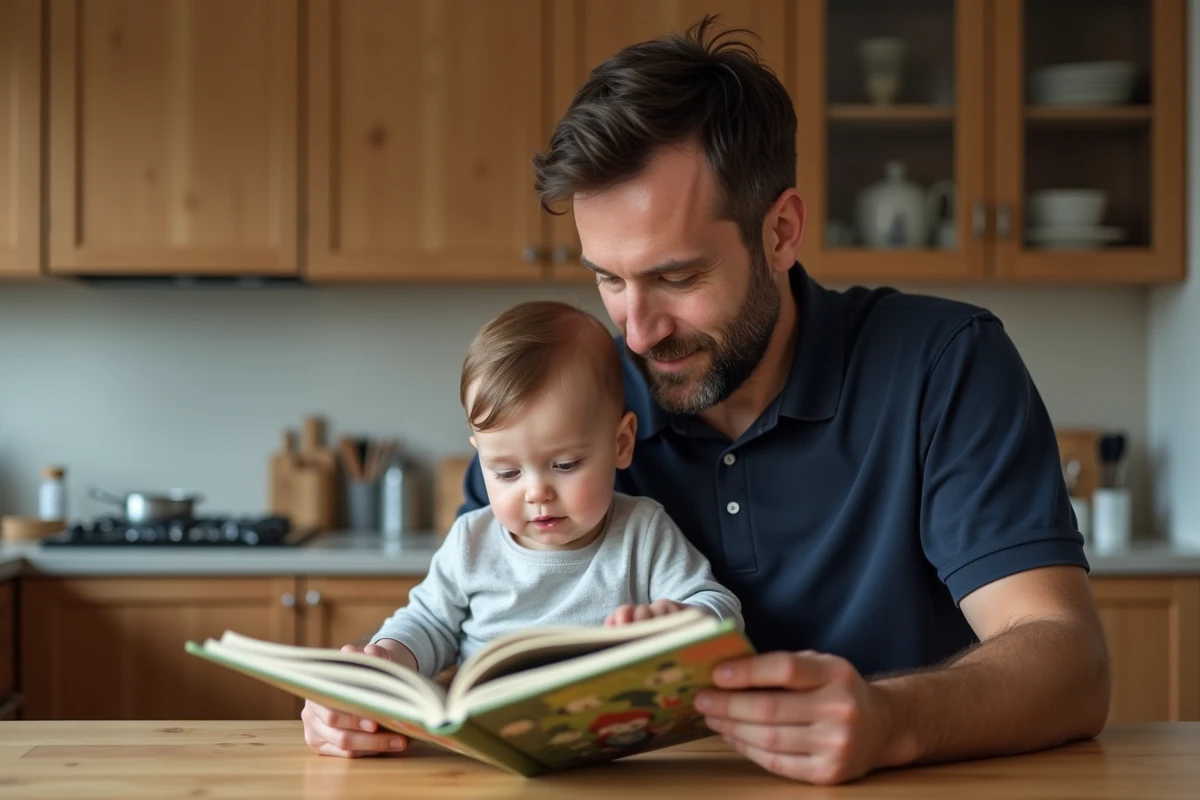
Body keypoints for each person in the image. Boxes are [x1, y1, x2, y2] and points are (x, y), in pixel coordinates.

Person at [304, 15, 1111, 784]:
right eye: (608, 279)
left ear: (781, 232)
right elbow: (461, 634)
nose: (639, 331)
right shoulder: (567, 410)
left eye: (677, 277)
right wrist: (364, 699)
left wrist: (890, 720)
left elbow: (1068, 660)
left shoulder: (943, 366)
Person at [301, 300, 742, 758]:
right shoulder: (472, 540)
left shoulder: (642, 531)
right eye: (506, 473)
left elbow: (721, 607)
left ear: (621, 443)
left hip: (614, 755)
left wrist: (681, 622)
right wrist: (389, 657)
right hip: (488, 753)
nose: (536, 493)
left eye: (565, 464)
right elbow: (428, 622)